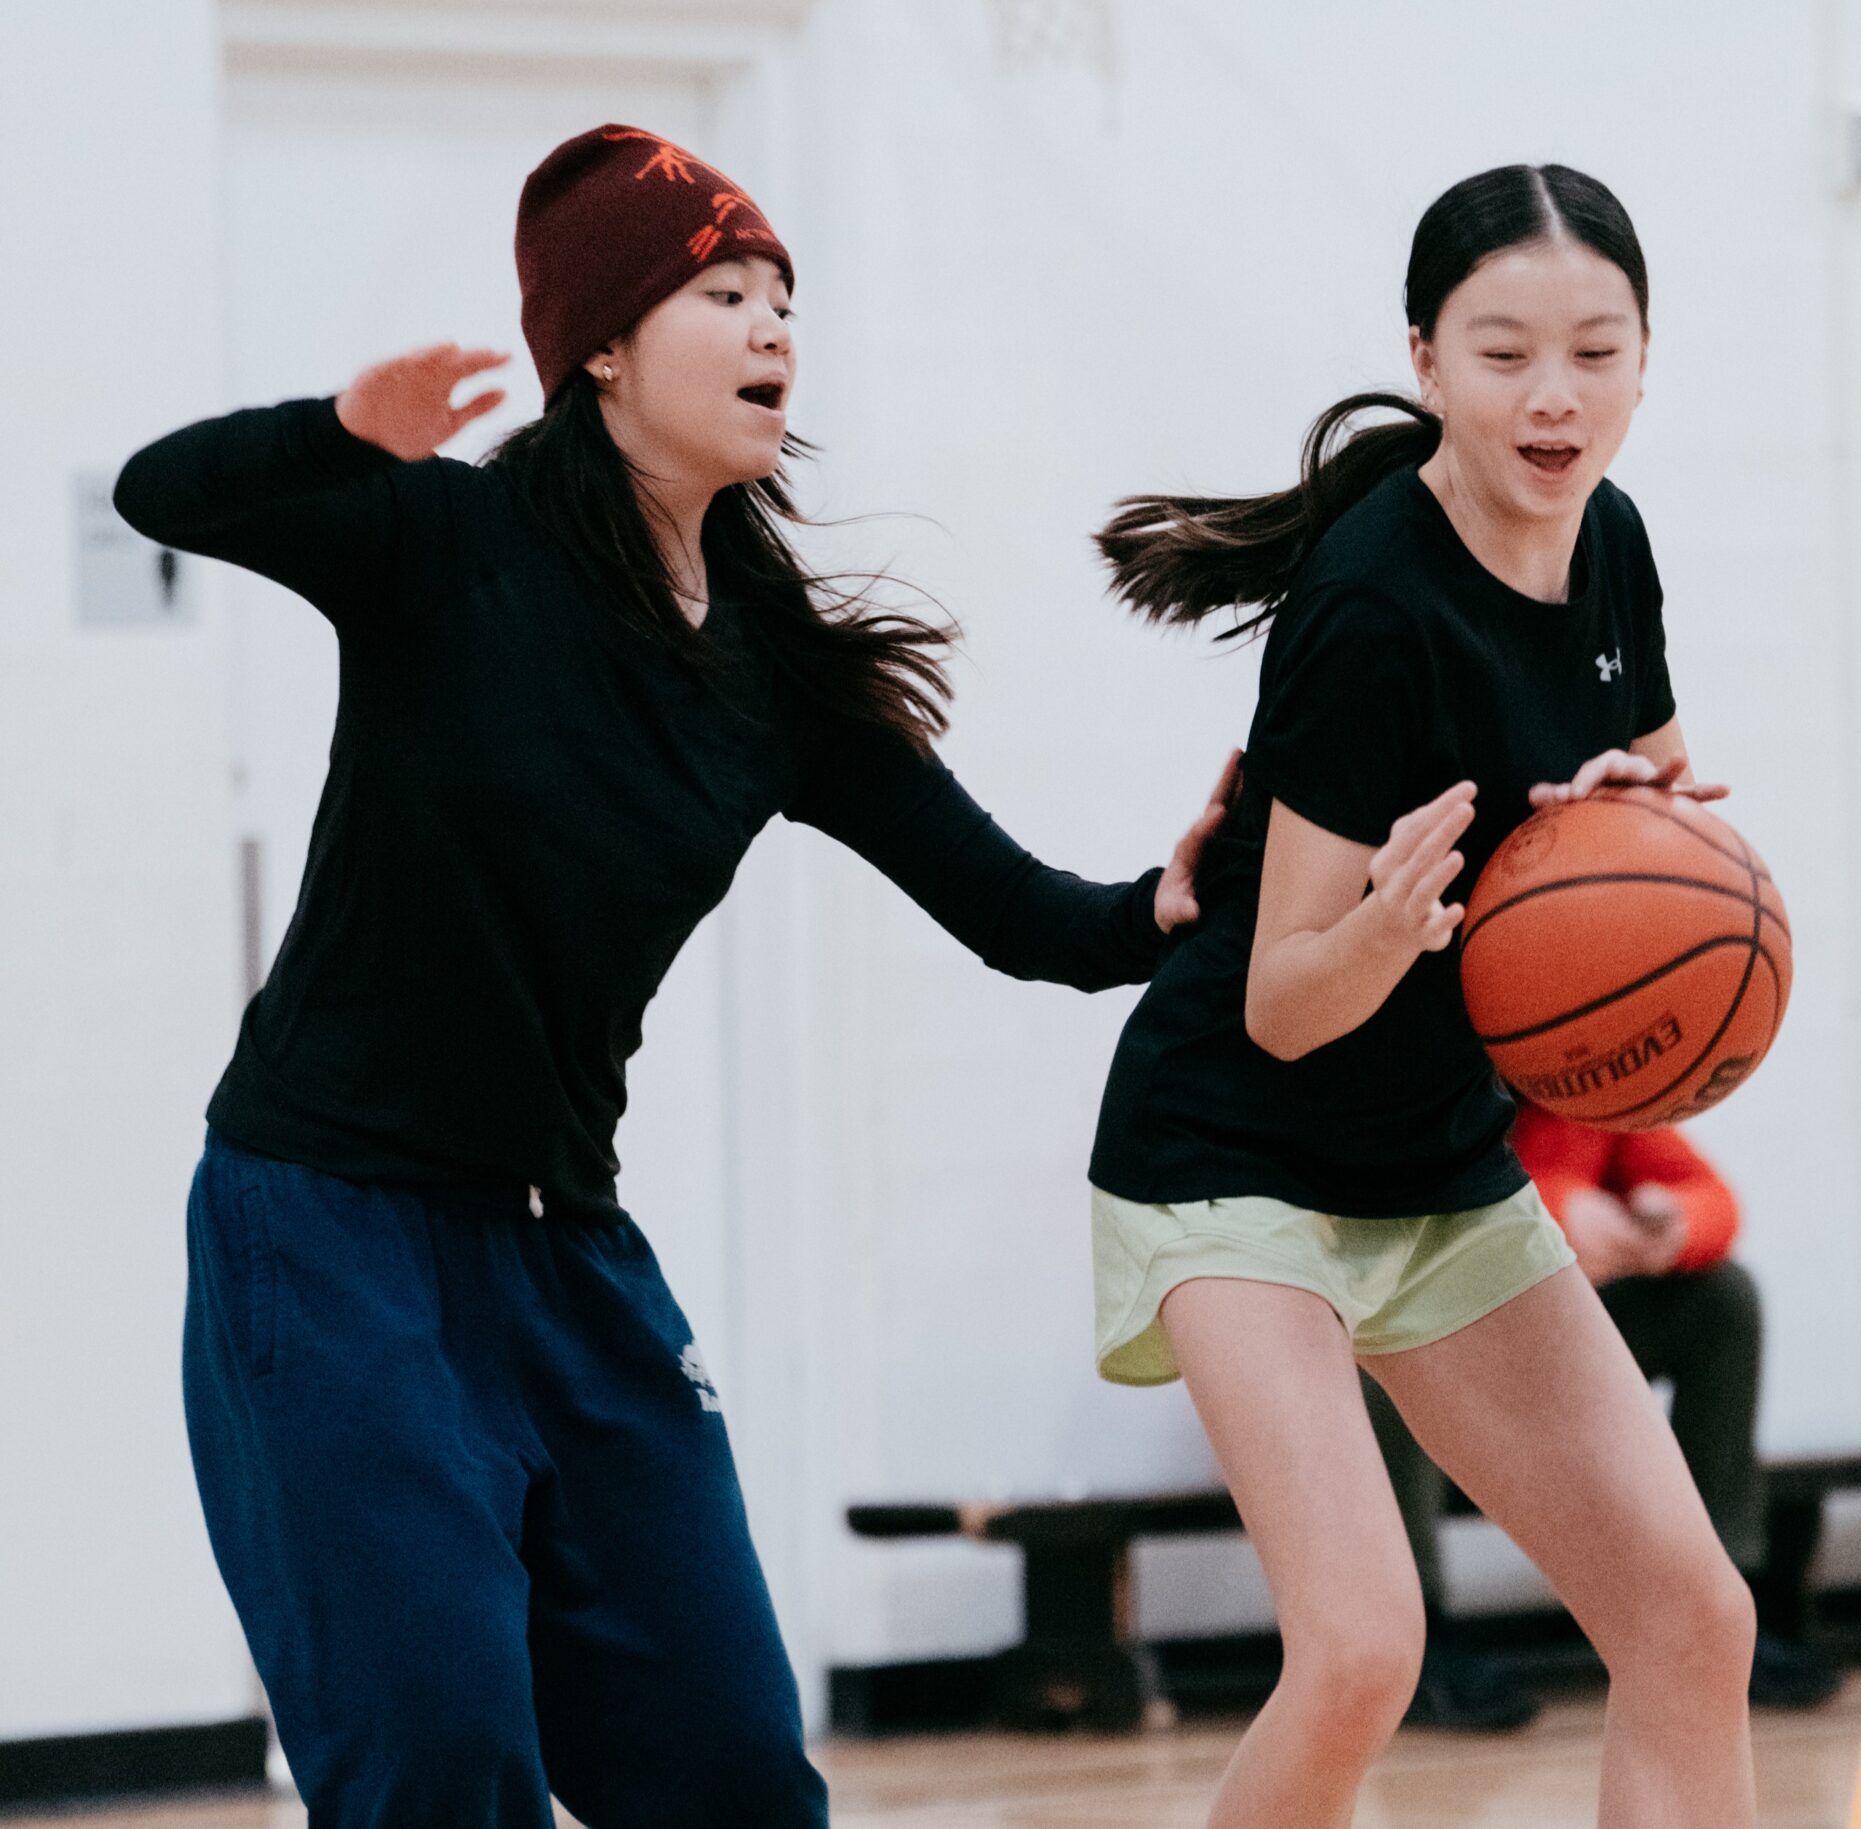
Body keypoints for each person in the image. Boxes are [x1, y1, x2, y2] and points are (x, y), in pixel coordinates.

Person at [117, 124, 1229, 1827]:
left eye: (783, 295)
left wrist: (1176, 899)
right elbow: (162, 493)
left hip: (566, 1254)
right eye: (724, 293)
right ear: (606, 351)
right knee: (441, 1761)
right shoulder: (446, 542)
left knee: (734, 1772)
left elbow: (1024, 917)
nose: (774, 323)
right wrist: (337, 432)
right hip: (328, 1233)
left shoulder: (773, 673)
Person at [1084, 165, 1758, 1827]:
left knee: (1693, 1619)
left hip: (1436, 1158)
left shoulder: (1612, 540)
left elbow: (1661, 806)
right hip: (1232, 1156)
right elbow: (1284, 1003)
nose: (1555, 394)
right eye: (1506, 351)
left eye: (1596, 351)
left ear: (1648, 359)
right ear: (1428, 360)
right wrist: (1396, 930)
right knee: (1363, 1649)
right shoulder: (1373, 602)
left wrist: (1631, 821)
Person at [1366, 1107, 1842, 1729]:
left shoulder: (1578, 1081)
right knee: (1381, 1338)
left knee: (1722, 1297)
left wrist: (1671, 1227)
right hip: (1432, 1351)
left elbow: (1712, 1196)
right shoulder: (1416, 1080)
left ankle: (1727, 1609)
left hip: (1541, 1353)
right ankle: (1418, 1640)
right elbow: (1390, 1218)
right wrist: (1553, 1218)